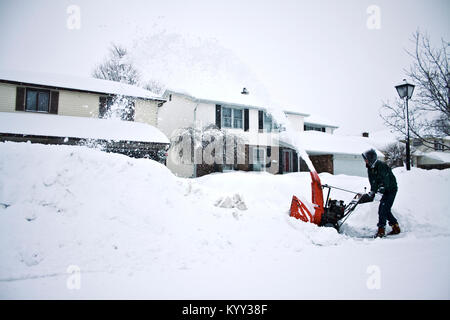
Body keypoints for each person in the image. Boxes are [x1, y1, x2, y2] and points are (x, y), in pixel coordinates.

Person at [362, 149, 401, 238]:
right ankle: (395, 227)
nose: (365, 161)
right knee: (385, 209)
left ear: (371, 158)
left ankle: (381, 230)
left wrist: (380, 193)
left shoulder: (381, 166)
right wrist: (372, 192)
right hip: (383, 191)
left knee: (383, 209)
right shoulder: (370, 168)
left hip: (390, 189)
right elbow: (373, 182)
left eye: (366, 159)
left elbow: (385, 181)